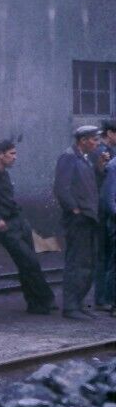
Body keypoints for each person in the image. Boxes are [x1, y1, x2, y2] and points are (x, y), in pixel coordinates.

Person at [0, 139, 56, 314]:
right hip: (4, 225)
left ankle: (36, 303)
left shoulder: (5, 175)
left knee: (28, 262)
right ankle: (44, 298)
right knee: (28, 261)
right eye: (12, 153)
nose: (15, 157)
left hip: (19, 221)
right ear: (0, 155)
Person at [53, 125, 101, 319]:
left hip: (88, 217)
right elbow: (61, 188)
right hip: (78, 219)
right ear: (83, 140)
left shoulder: (85, 159)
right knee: (77, 262)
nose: (97, 143)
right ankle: (71, 307)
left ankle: (77, 304)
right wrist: (74, 209)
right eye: (94, 140)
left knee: (86, 262)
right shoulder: (69, 158)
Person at [98, 120, 116, 313]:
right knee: (110, 260)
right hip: (109, 216)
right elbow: (108, 195)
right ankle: (108, 299)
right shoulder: (110, 161)